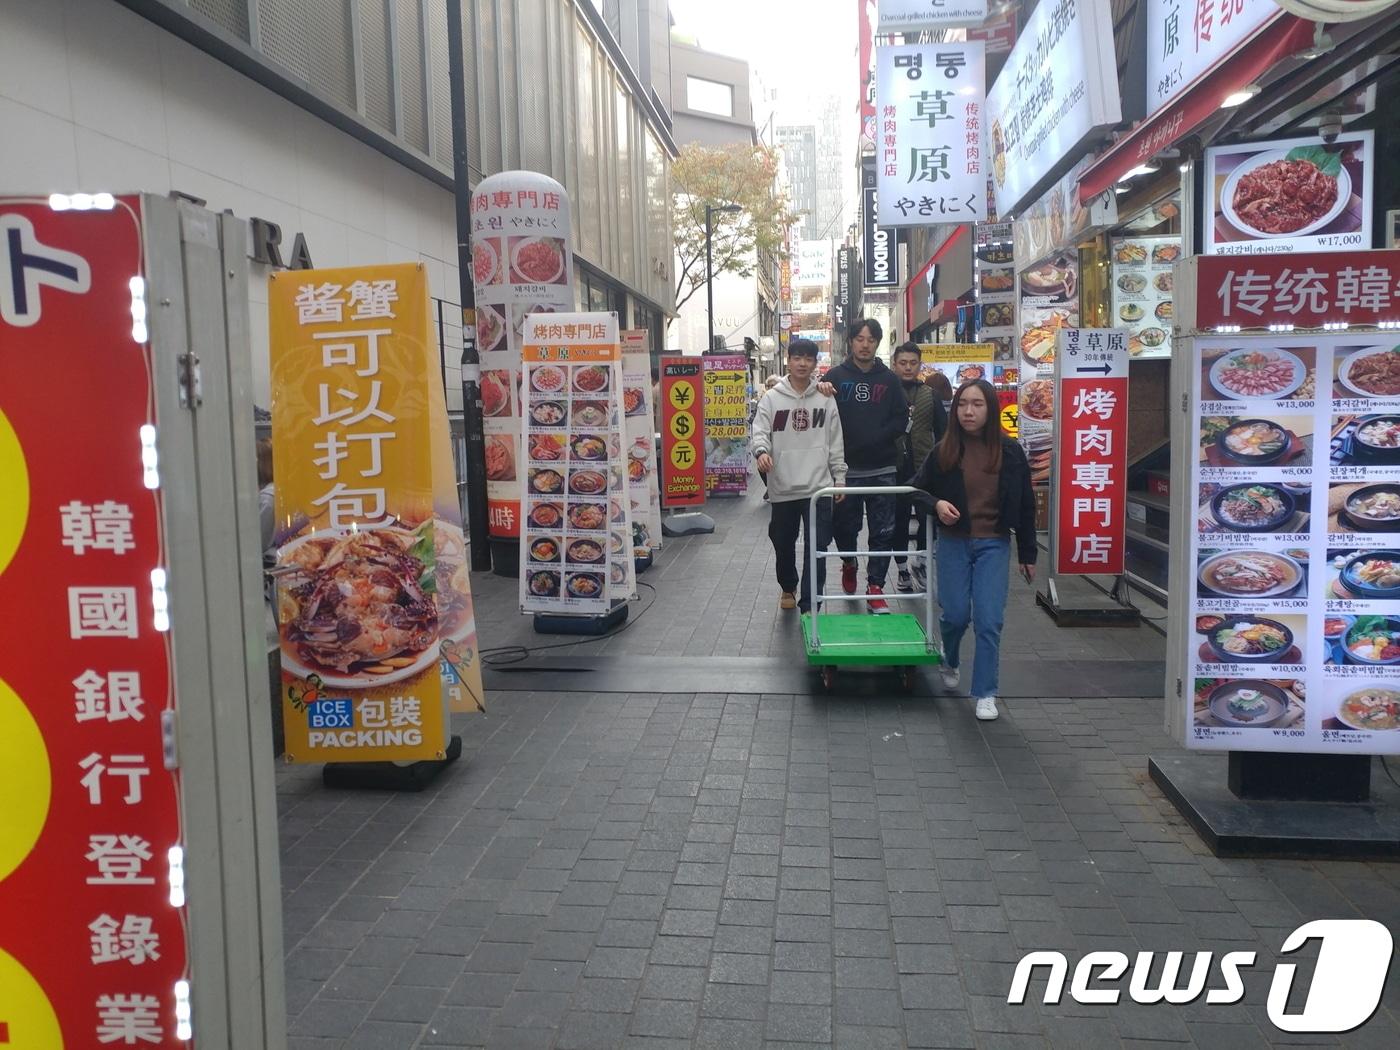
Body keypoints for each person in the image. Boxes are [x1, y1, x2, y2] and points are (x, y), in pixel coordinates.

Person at [912, 379, 1036, 722]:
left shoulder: (1010, 452)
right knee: (954, 615)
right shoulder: (944, 451)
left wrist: (1028, 554)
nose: (968, 411)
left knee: (989, 619)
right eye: (963, 404)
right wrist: (937, 504)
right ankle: (949, 658)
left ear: (990, 409)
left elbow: (1026, 504)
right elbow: (915, 491)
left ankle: (985, 692)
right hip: (953, 543)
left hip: (994, 544)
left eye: (977, 404)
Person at [751, 339, 846, 614]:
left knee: (817, 545)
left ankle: (810, 604)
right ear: (788, 361)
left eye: (808, 359)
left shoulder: (825, 398)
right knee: (783, 541)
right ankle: (788, 585)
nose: (802, 363)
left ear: (815, 363)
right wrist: (761, 452)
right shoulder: (771, 399)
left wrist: (839, 477)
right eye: (797, 358)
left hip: (819, 487)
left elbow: (835, 440)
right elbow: (759, 431)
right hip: (783, 485)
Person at [820, 317, 907, 613]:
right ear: (851, 342)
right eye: (860, 339)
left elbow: (900, 418)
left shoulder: (890, 379)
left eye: (871, 339)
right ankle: (849, 561)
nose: (865, 345)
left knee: (883, 531)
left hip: (883, 467)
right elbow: (821, 414)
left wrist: (879, 437)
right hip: (845, 471)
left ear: (878, 343)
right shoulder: (834, 376)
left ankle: (875, 587)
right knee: (845, 527)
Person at [890, 343, 947, 593]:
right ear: (894, 365)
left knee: (928, 518)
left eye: (913, 363)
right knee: (898, 521)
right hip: (894, 468)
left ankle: (921, 563)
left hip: (925, 468)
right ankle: (902, 569)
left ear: (920, 365)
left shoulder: (931, 395)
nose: (908, 367)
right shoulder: (887, 392)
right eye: (903, 363)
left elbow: (943, 431)